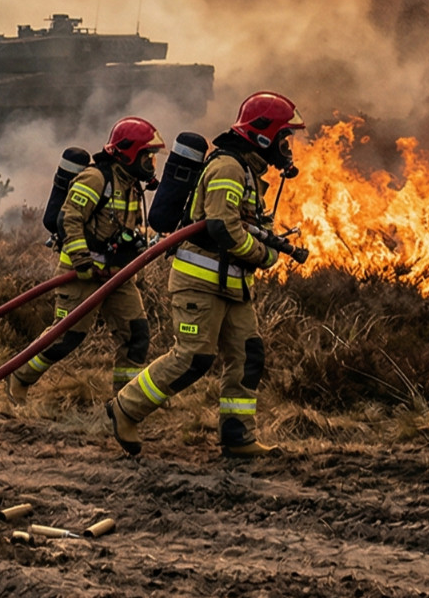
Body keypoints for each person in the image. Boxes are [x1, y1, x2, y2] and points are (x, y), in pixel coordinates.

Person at [108, 92, 305, 459]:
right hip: (200, 283)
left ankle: (237, 437)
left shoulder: (248, 171)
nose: (286, 146)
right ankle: (125, 408)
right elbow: (223, 228)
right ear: (264, 135)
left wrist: (270, 243)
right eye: (284, 136)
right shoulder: (228, 167)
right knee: (192, 358)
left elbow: (246, 225)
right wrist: (264, 255)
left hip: (232, 286)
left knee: (248, 355)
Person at [6, 117, 160, 406]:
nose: (151, 164)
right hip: (82, 272)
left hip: (118, 275)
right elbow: (69, 219)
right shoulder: (96, 178)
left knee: (136, 335)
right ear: (129, 153)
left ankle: (124, 403)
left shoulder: (131, 185)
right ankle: (19, 377)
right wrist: (82, 261)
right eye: (147, 156)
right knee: (66, 338)